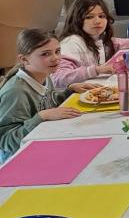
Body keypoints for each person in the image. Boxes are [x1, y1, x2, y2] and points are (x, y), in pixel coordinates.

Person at [0, 30, 98, 160]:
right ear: (24, 59)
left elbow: (48, 102)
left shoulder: (44, 74)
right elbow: (6, 141)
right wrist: (41, 117)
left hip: (41, 143)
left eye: (57, 51)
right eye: (45, 54)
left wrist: (69, 91)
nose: (55, 58)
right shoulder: (16, 92)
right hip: (18, 158)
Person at [54, 0, 129, 88]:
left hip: (95, 86)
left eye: (101, 16)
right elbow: (58, 78)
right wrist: (96, 70)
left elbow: (117, 43)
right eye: (89, 17)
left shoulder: (96, 37)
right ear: (76, 20)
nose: (97, 21)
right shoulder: (71, 43)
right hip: (73, 96)